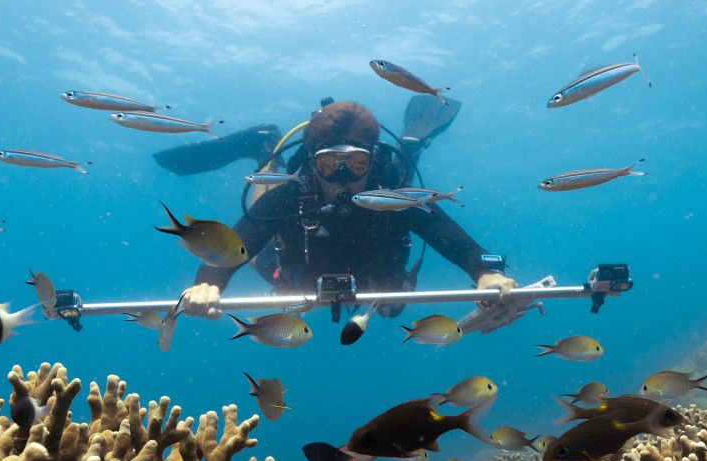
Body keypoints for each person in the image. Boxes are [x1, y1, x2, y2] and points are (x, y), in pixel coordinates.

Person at [179, 100, 517, 319]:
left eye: (356, 164)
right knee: (259, 245)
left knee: (404, 184)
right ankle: (268, 151)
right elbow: (236, 244)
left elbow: (452, 238)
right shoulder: (290, 196)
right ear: (313, 165)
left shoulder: (392, 195)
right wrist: (208, 282)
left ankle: (408, 148)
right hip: (294, 271)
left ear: (371, 164)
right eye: (329, 165)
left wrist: (485, 271)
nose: (343, 177)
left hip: (377, 277)